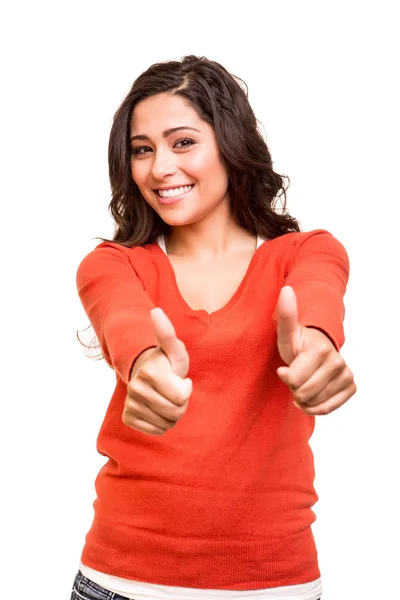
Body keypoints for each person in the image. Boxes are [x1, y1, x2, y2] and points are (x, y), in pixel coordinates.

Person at [71, 55, 356, 600]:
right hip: (119, 582)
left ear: (229, 144)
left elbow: (319, 292)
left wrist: (317, 345)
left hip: (276, 585)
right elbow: (124, 319)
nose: (159, 169)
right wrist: (146, 365)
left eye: (182, 143)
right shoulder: (114, 263)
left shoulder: (305, 252)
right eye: (142, 150)